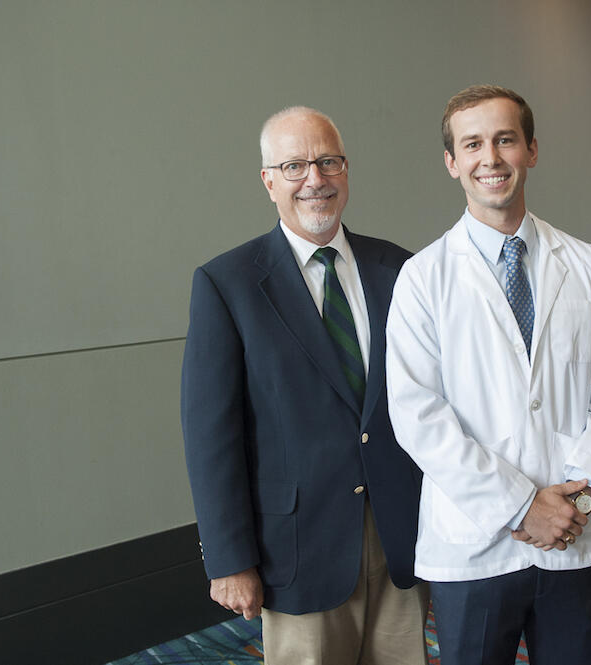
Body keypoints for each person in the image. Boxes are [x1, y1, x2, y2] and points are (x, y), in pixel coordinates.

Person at [385, 85, 591, 664]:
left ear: (531, 149)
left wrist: (581, 497)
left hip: (576, 534)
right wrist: (522, 506)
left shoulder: (584, 264)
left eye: (505, 140)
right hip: (476, 543)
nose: (491, 158)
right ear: (451, 162)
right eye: (472, 144)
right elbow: (418, 415)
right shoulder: (423, 279)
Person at [181, 106, 428, 665]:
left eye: (328, 162)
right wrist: (228, 559)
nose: (315, 179)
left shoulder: (400, 269)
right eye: (294, 166)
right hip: (298, 550)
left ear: (346, 171)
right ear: (268, 181)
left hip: (401, 538)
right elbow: (211, 437)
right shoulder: (227, 284)